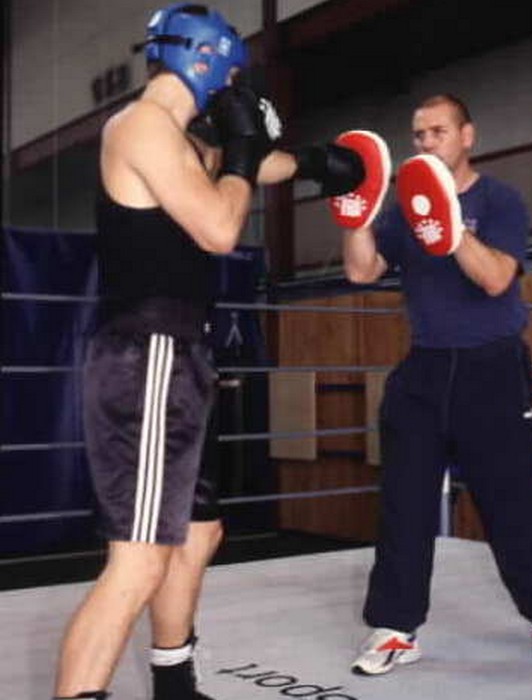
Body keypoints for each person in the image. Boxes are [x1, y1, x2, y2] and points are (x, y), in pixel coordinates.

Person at [52, 3, 365, 699]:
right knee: (137, 562)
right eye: (229, 73)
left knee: (198, 533)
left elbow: (248, 165)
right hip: (147, 357)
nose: (232, 88)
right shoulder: (141, 127)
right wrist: (247, 151)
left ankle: (174, 684)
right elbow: (221, 227)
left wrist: (320, 165)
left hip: (180, 356)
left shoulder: (185, 142)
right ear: (207, 61)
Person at [340, 93, 532, 675]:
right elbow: (362, 270)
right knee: (404, 504)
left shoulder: (500, 200)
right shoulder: (402, 209)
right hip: (424, 367)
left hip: (492, 368)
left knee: (516, 502)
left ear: (467, 136)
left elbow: (496, 279)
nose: (425, 142)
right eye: (418, 134)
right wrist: (355, 218)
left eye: (437, 131)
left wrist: (448, 230)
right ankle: (395, 629)